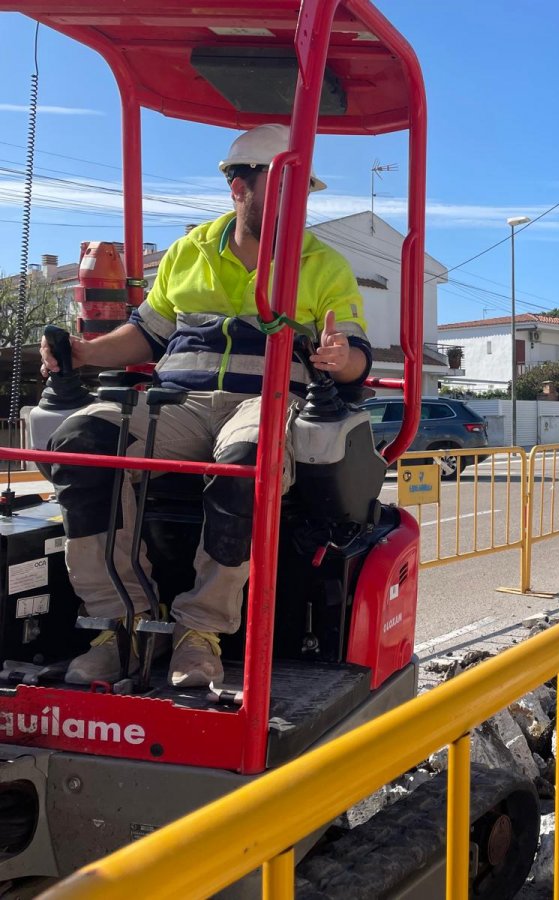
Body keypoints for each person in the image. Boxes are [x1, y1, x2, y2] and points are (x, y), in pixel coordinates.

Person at [41, 124, 371, 689]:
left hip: (266, 401)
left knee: (247, 454)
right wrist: (84, 352)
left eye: (304, 192)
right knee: (81, 441)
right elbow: (145, 335)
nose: (299, 205)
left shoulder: (323, 264)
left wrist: (341, 357)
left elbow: (356, 358)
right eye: (285, 186)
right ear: (240, 188)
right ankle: (122, 624)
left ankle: (200, 632)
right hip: (181, 402)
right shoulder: (188, 253)